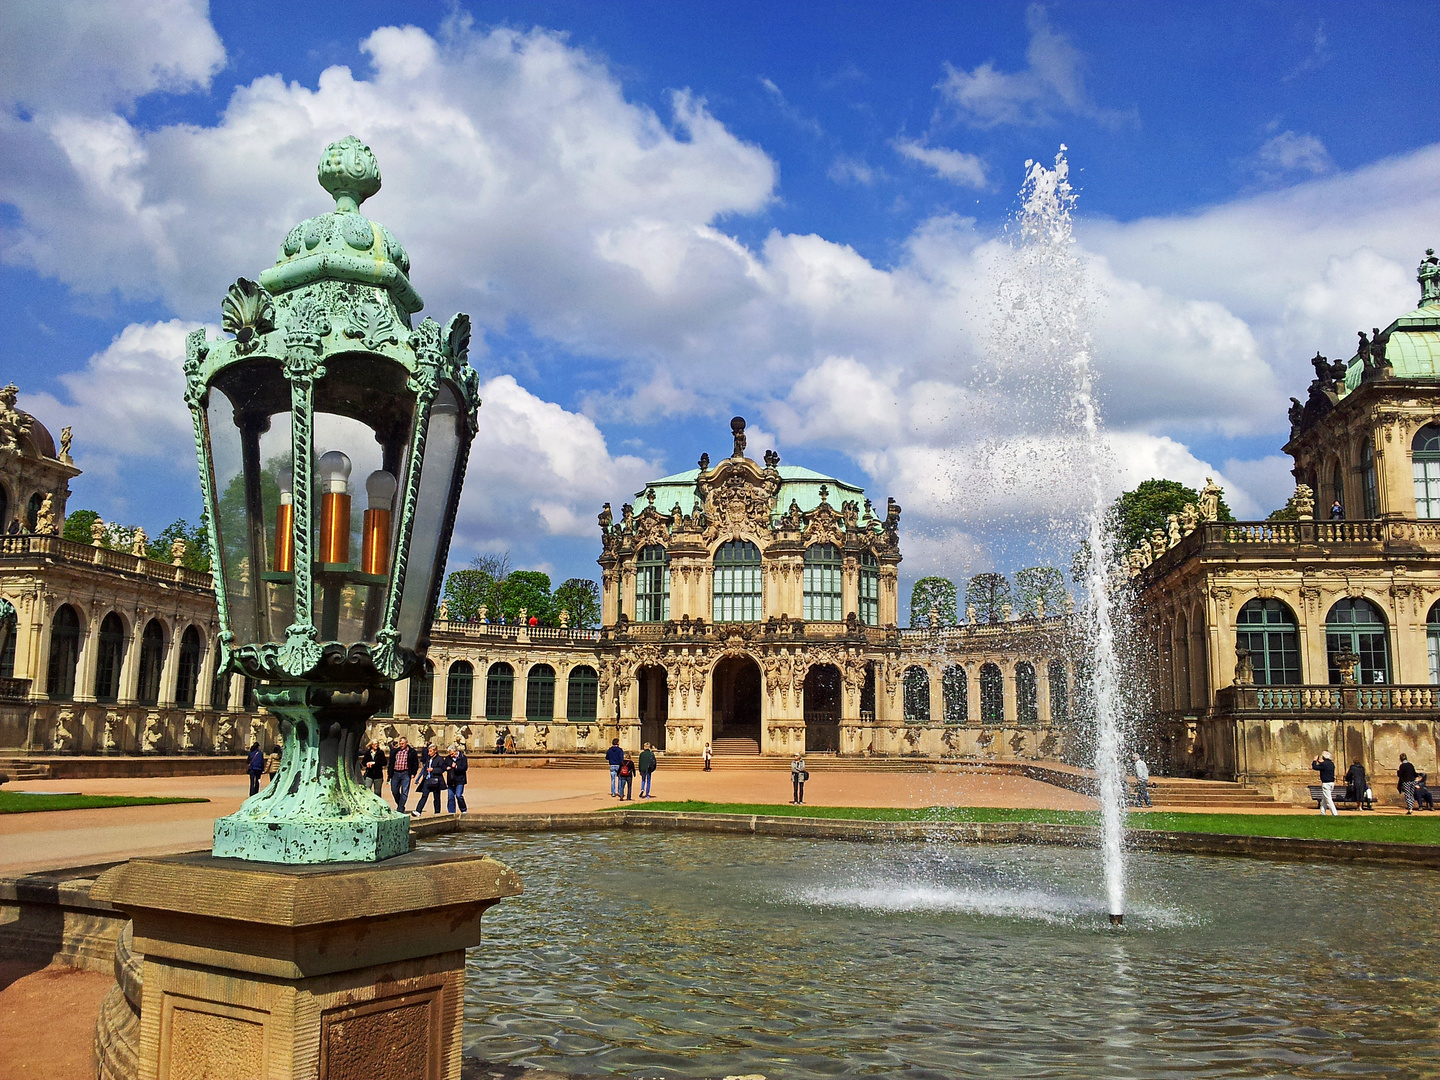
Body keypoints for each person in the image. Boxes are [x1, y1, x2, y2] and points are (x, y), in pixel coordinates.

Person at [388, 736, 417, 812]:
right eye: (400, 743)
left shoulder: (412, 752)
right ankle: (400, 804)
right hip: (395, 773)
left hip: (406, 773)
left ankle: (400, 808)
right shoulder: (395, 751)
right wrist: (389, 773)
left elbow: (415, 763)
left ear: (406, 743)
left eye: (403, 743)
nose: (401, 745)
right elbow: (391, 762)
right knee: (394, 790)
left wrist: (413, 773)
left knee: (404, 791)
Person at [415, 744, 445, 815]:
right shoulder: (428, 758)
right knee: (424, 795)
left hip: (435, 780)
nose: (429, 753)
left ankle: (437, 812)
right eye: (429, 751)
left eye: (431, 751)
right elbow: (425, 768)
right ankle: (418, 811)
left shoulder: (439, 759)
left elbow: (442, 769)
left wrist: (433, 770)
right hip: (427, 780)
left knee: (436, 796)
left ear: (435, 751)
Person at [1312, 751, 1338, 815]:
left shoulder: (1324, 764)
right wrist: (1320, 762)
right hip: (1331, 783)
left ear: (1323, 757)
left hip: (1326, 783)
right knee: (1324, 799)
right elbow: (1324, 766)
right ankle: (1322, 812)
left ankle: (1335, 813)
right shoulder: (1331, 764)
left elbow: (1315, 767)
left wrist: (1314, 761)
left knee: (1328, 799)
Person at [446, 744, 469, 814]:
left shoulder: (463, 757)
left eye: (452, 754)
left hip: (460, 780)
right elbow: (444, 764)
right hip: (451, 779)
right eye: (450, 754)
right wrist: (446, 767)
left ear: (456, 751)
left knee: (459, 795)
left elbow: (465, 768)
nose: (451, 755)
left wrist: (456, 767)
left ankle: (463, 809)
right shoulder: (448, 758)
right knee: (450, 797)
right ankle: (452, 812)